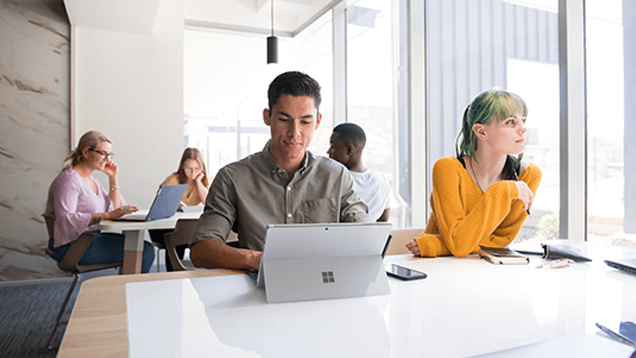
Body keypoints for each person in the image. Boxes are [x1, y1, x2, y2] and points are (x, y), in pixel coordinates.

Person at [189, 71, 368, 271]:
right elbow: (201, 250)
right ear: (268, 117)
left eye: (306, 122)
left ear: (317, 121)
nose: (295, 133)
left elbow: (365, 235)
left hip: (324, 287)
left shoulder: (337, 175)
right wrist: (256, 260)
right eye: (284, 119)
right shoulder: (232, 177)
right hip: (259, 290)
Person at [405, 89, 542, 258]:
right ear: (481, 132)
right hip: (433, 267)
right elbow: (459, 246)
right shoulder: (447, 169)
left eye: (523, 120)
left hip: (480, 269)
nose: (523, 129)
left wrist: (438, 245)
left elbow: (500, 242)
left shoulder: (528, 175)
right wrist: (504, 190)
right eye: (511, 122)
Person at [45, 130, 155, 273]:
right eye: (103, 153)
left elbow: (114, 209)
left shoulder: (93, 180)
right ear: (86, 152)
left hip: (89, 239)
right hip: (73, 245)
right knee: (144, 251)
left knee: (141, 247)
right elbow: (66, 219)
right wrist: (108, 216)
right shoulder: (69, 180)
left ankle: (125, 293)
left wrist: (113, 178)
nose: (108, 160)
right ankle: (127, 293)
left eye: (109, 155)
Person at [149, 147, 209, 271]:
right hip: (164, 227)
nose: (193, 172)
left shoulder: (202, 182)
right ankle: (174, 275)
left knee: (190, 234)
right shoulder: (173, 179)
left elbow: (207, 202)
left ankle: (183, 275)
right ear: (182, 166)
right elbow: (161, 201)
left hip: (184, 227)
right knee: (179, 238)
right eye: (189, 168)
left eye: (197, 169)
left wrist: (198, 182)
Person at [327, 123, 391, 222]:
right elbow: (384, 221)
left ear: (349, 150)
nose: (329, 151)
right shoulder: (382, 182)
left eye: (333, 146)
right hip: (370, 236)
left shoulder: (335, 180)